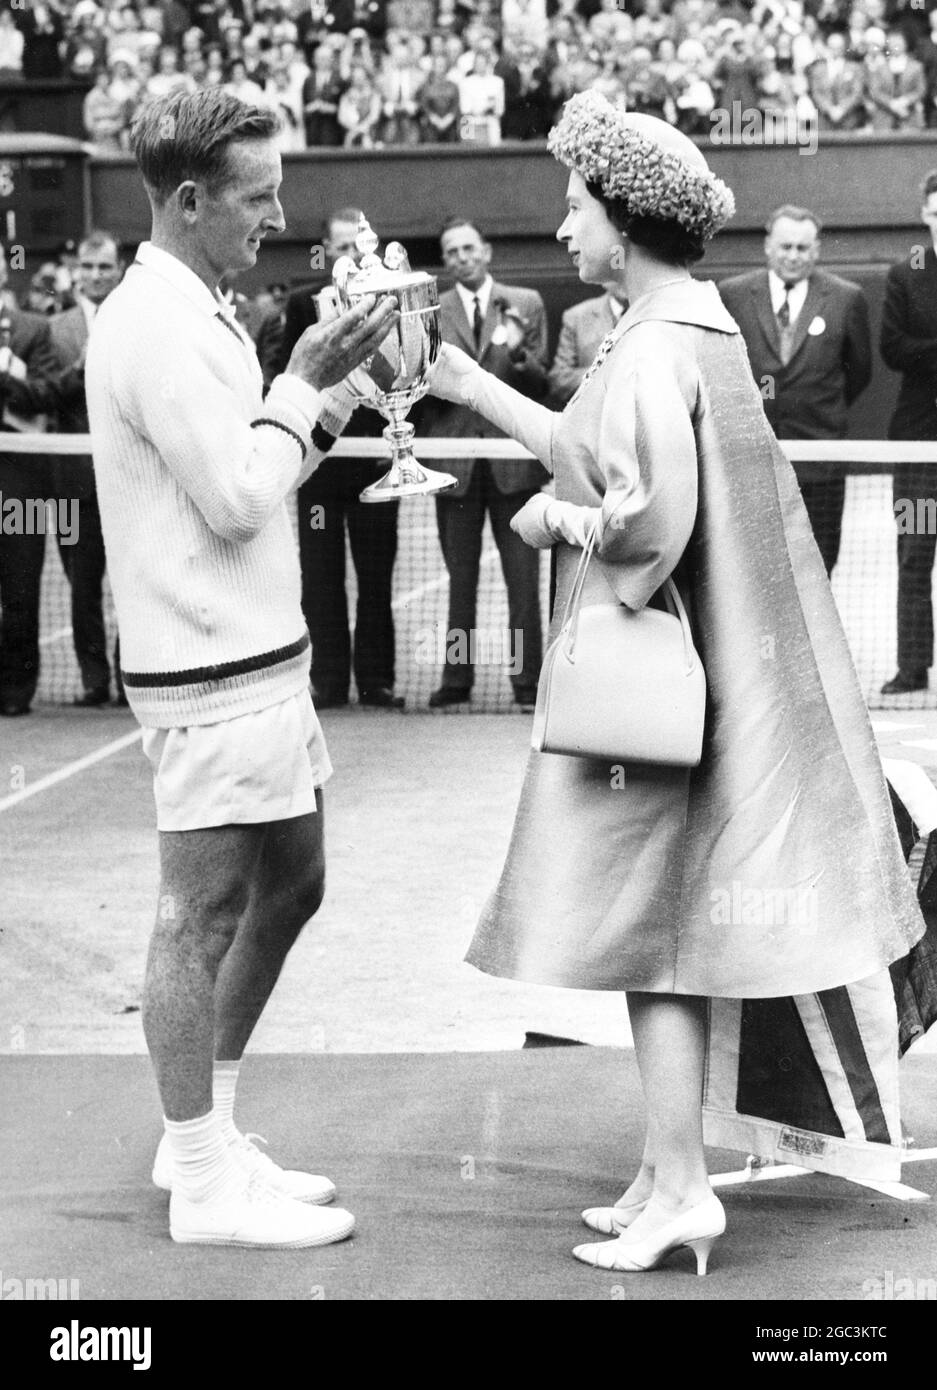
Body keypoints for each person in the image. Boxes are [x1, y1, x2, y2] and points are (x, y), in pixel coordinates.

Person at [425, 89, 924, 1274]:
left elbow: (641, 527)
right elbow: (592, 443)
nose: (562, 228)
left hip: (652, 702)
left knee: (653, 942)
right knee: (670, 935)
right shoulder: (684, 329)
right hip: (714, 696)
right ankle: (663, 1166)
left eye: (575, 206)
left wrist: (551, 522)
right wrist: (472, 384)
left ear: (626, 219)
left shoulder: (650, 343)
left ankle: (684, 1188)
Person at [84, 88, 398, 1248]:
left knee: (295, 883)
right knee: (197, 916)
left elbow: (261, 465)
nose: (279, 214)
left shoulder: (198, 305)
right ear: (187, 201)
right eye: (259, 196)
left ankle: (196, 1136)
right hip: (209, 671)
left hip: (264, 657)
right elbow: (236, 500)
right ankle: (207, 1186)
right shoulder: (157, 325)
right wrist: (307, 378)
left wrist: (343, 389)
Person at [270, 208, 405, 709]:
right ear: (326, 250)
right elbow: (294, 371)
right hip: (319, 465)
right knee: (321, 577)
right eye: (341, 246)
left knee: (376, 577)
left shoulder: (390, 302)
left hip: (373, 459)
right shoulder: (306, 305)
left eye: (357, 245)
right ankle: (326, 681)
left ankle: (376, 681)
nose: (350, 254)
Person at [421, 217, 548, 710]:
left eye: (469, 248)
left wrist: (514, 353)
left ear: (487, 251)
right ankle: (456, 682)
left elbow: (541, 385)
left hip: (513, 465)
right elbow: (428, 384)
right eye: (451, 251)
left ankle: (527, 685)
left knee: (523, 585)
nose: (461, 257)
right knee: (460, 582)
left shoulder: (528, 303)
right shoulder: (432, 310)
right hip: (455, 468)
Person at [718, 205, 872, 575]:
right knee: (754, 571)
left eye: (803, 249)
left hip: (820, 461)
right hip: (751, 458)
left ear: (817, 250)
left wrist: (816, 408)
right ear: (768, 246)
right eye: (785, 246)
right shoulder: (733, 294)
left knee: (817, 566)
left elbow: (859, 372)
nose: (793, 256)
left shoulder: (846, 297)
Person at [47, 231, 126, 707]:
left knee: (132, 584)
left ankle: (128, 677)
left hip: (126, 479)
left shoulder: (134, 321)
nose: (96, 276)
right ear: (77, 270)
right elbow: (47, 395)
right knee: (81, 588)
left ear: (118, 271)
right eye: (89, 267)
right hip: (72, 483)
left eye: (105, 267)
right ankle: (94, 680)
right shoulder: (55, 330)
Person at [879, 169, 937, 695]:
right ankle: (913, 667)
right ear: (925, 214)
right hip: (920, 441)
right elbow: (892, 348)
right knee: (915, 553)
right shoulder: (907, 273)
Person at [0, 249, 61, 718]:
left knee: (21, 587)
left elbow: (44, 396)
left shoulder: (33, 330)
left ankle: (16, 691)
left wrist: (5, 373)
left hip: (22, 478)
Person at [548, 284, 628, 406]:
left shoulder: (662, 310)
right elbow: (560, 380)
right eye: (618, 265)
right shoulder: (577, 317)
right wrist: (607, 374)